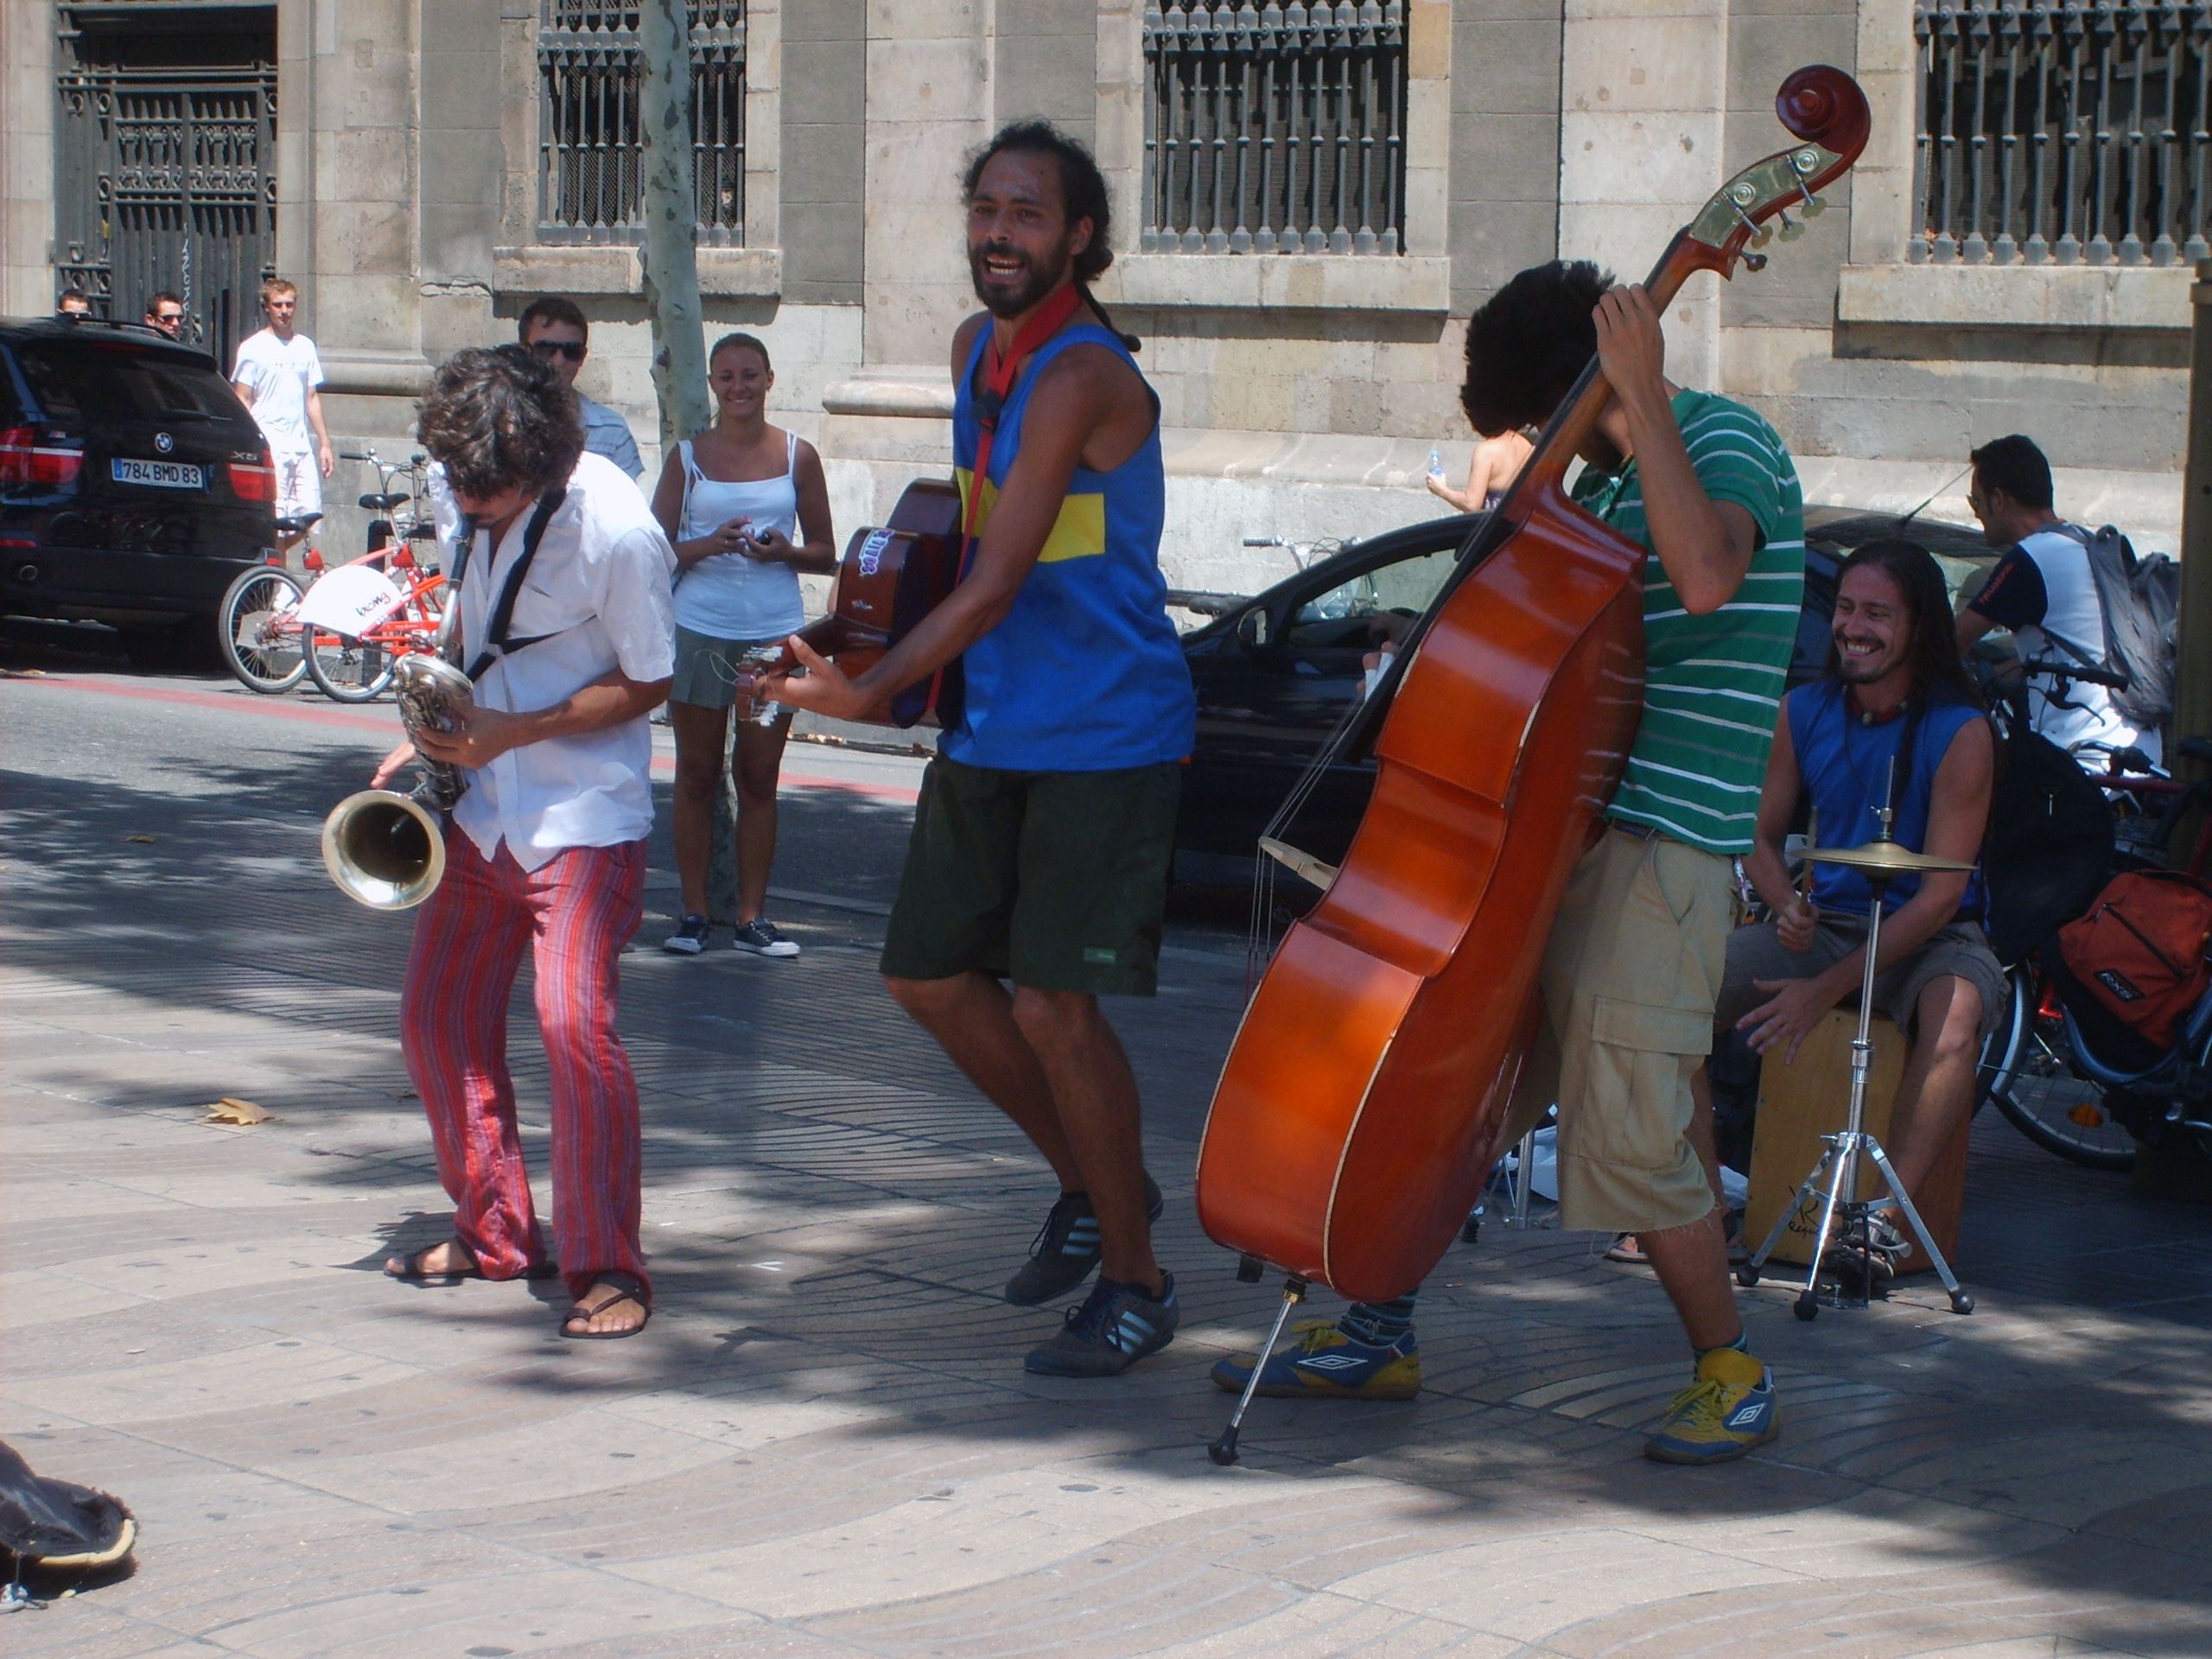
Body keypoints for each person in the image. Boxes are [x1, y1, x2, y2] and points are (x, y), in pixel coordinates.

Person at [1211, 259, 1806, 1466]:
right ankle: (1378, 1327)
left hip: (1662, 850)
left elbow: (1707, 576)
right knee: (1463, 1099)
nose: (1547, 446)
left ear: (1586, 385)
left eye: (1546, 420)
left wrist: (1637, 386)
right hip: (1569, 840)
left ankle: (1732, 1372)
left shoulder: (1720, 442)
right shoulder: (1613, 489)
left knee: (1634, 1128)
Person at [763, 120, 1193, 1379]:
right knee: (927, 977)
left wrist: (863, 691)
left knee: (1057, 1006)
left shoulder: (1080, 375)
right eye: (986, 210)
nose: (999, 234)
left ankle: (1136, 1280)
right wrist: (850, 628)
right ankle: (1096, 1184)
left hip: (1105, 731)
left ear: (1080, 237)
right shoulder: (974, 352)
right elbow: (965, 538)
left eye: (1027, 214)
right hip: (997, 717)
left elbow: (1001, 580)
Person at [372, 345, 677, 1341]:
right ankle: (495, 1231)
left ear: (542, 462)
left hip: (580, 818)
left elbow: (651, 678)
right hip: (481, 811)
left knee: (572, 1030)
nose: (465, 501)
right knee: (435, 1021)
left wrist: (516, 731)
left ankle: (610, 1267)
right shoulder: (471, 483)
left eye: (485, 489)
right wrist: (427, 725)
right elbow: (479, 627)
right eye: (457, 481)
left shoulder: (617, 530)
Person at [1710, 539, 2000, 1287]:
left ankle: (1878, 1225)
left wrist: (1822, 991)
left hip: (1933, 936)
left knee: (1957, 1013)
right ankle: (1697, 1207)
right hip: (1832, 921)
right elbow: (1758, 836)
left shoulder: (1961, 731)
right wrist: (1783, 902)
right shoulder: (1801, 710)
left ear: (1918, 626)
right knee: (1680, 993)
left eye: (1877, 613)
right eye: (1844, 608)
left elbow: (1939, 896)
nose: (1852, 627)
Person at [650, 333, 836, 958]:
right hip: (700, 630)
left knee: (758, 776)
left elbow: (826, 553)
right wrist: (711, 544)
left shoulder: (797, 455)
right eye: (726, 377)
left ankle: (753, 918)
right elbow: (654, 550)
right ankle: (694, 914)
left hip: (772, 637)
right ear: (712, 384)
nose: (739, 388)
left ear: (770, 380)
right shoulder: (687, 458)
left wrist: (784, 551)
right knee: (696, 774)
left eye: (750, 375)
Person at [1954, 433, 2159, 769]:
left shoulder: (2032, 558)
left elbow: (1950, 643)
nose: (1977, 514)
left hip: (2081, 763)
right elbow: (2061, 655)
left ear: (1999, 500)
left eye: (1976, 501)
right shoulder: (2085, 544)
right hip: (2138, 752)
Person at [232, 278, 334, 555]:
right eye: (278, 305)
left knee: (310, 518)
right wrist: (250, 441)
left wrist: (324, 443)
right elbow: (242, 397)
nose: (284, 311)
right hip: (271, 443)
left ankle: (273, 563)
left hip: (300, 444)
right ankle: (278, 578)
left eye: (289, 304)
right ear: (267, 307)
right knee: (278, 520)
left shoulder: (305, 346)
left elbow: (311, 396)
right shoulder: (253, 347)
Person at [518, 296, 644, 481]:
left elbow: (623, 498)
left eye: (571, 350)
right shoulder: (496, 419)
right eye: (545, 349)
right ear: (524, 351)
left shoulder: (613, 429)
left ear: (583, 356)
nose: (559, 361)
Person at [1424, 428, 1535, 513]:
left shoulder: (1487, 451)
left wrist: (1442, 490)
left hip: (1492, 528)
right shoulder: (1526, 444)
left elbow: (1471, 504)